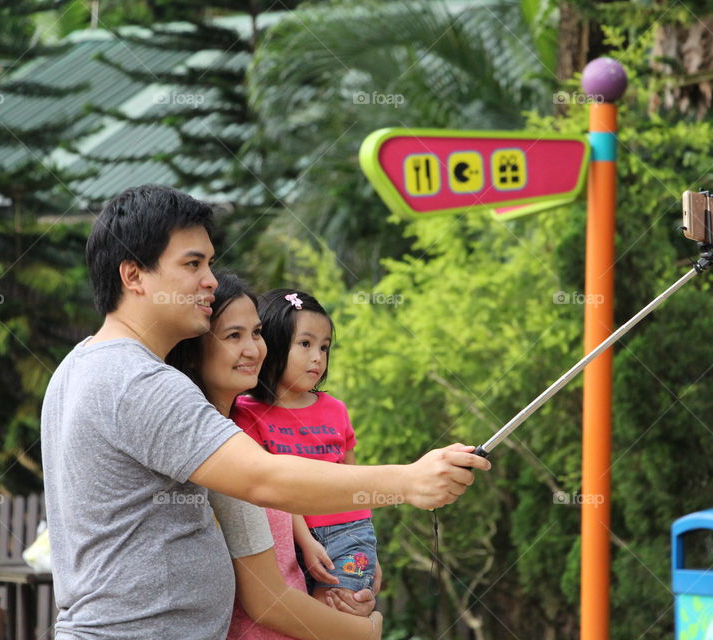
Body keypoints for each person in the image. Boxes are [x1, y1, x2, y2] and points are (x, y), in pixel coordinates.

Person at [40, 184, 491, 639]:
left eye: (209, 263)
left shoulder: (81, 363)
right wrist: (409, 482)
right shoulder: (139, 382)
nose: (210, 280)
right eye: (193, 263)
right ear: (134, 275)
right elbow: (265, 479)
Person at [166, 270, 379, 640]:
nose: (253, 349)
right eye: (234, 335)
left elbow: (350, 479)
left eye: (257, 334)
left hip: (336, 554)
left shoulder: (326, 411)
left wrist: (366, 549)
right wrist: (367, 631)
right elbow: (268, 600)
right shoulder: (228, 434)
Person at [234, 289, 378, 607]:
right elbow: (273, 489)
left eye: (324, 347)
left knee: (341, 612)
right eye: (305, 344)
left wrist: (370, 549)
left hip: (347, 531)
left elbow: (356, 480)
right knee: (300, 619)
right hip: (288, 535)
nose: (317, 357)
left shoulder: (335, 409)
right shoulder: (246, 411)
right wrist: (304, 541)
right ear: (272, 344)